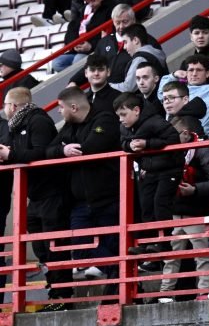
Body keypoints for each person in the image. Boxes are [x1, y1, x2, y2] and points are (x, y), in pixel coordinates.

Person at [0, 87, 72, 308]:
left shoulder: (38, 121)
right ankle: (54, 292)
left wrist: (10, 155)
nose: (4, 109)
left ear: (13, 106)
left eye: (5, 105)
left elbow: (41, 153)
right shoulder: (16, 126)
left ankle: (63, 296)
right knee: (41, 248)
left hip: (52, 193)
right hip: (36, 196)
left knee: (54, 246)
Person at [47, 87, 121, 281]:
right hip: (80, 202)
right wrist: (63, 151)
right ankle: (119, 269)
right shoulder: (70, 126)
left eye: (61, 107)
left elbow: (91, 148)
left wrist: (69, 148)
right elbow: (50, 149)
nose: (59, 111)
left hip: (107, 198)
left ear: (73, 107)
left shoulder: (105, 119)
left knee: (113, 244)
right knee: (80, 247)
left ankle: (119, 280)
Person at [160, 113, 209, 302]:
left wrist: (195, 190)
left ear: (186, 133)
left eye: (174, 135)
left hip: (196, 211)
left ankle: (205, 292)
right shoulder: (171, 150)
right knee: (171, 255)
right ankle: (165, 293)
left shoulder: (204, 151)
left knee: (201, 254)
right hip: (174, 211)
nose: (170, 139)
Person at [115, 91, 182, 230]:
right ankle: (150, 239)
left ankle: (164, 240)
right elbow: (123, 143)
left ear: (136, 110)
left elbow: (173, 138)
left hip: (169, 169)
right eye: (119, 116)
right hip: (148, 170)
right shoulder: (124, 127)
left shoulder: (155, 121)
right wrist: (130, 146)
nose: (121, 119)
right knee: (146, 206)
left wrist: (147, 144)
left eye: (123, 114)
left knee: (160, 204)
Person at [158, 55, 209, 139]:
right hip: (174, 141)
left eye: (199, 70)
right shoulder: (178, 90)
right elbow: (161, 94)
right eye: (191, 70)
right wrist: (173, 75)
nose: (194, 74)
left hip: (202, 142)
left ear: (207, 73)